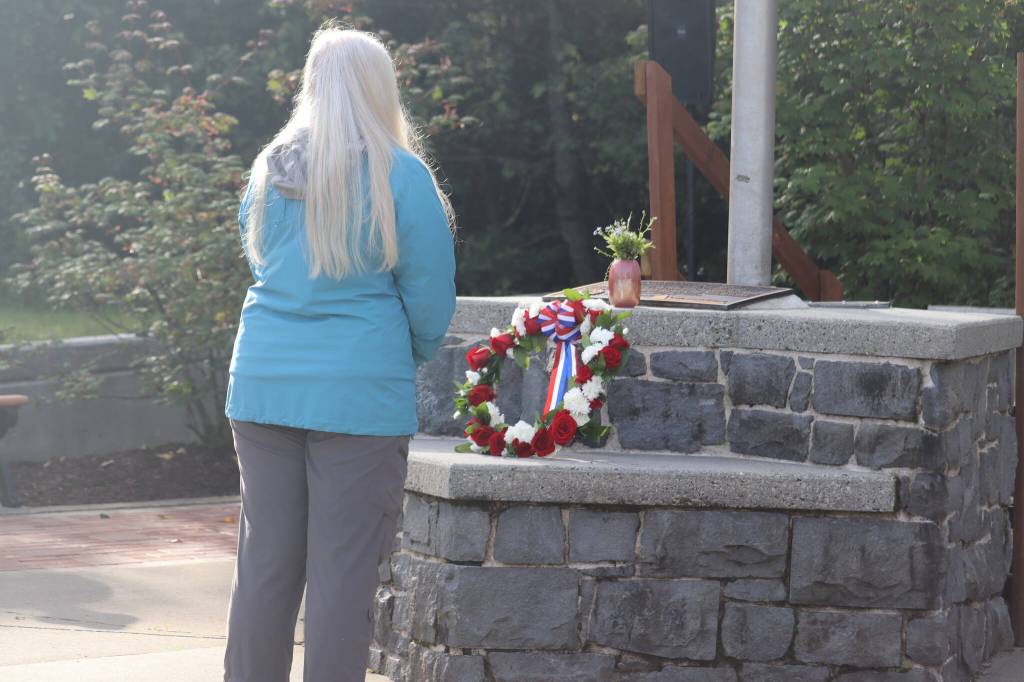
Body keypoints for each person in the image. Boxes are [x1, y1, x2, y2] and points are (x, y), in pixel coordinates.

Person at [221, 24, 457, 682]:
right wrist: (403, 352)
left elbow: (260, 258)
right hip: (357, 397)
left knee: (264, 572)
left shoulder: (270, 168)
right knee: (342, 581)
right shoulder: (400, 176)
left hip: (262, 386)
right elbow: (431, 295)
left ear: (312, 85)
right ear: (381, 89)